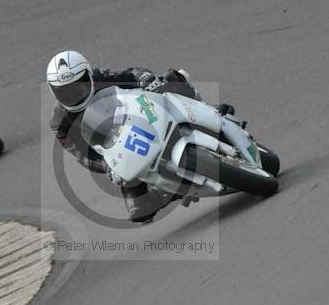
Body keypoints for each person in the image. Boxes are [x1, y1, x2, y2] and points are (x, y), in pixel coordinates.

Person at [47, 50, 230, 223]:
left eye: (80, 85)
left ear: (88, 75)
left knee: (173, 80)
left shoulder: (100, 76)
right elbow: (83, 155)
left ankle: (209, 110)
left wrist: (146, 80)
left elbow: (131, 74)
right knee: (140, 210)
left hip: (138, 114)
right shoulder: (60, 123)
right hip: (118, 146)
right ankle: (168, 189)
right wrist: (107, 165)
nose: (75, 93)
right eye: (65, 92)